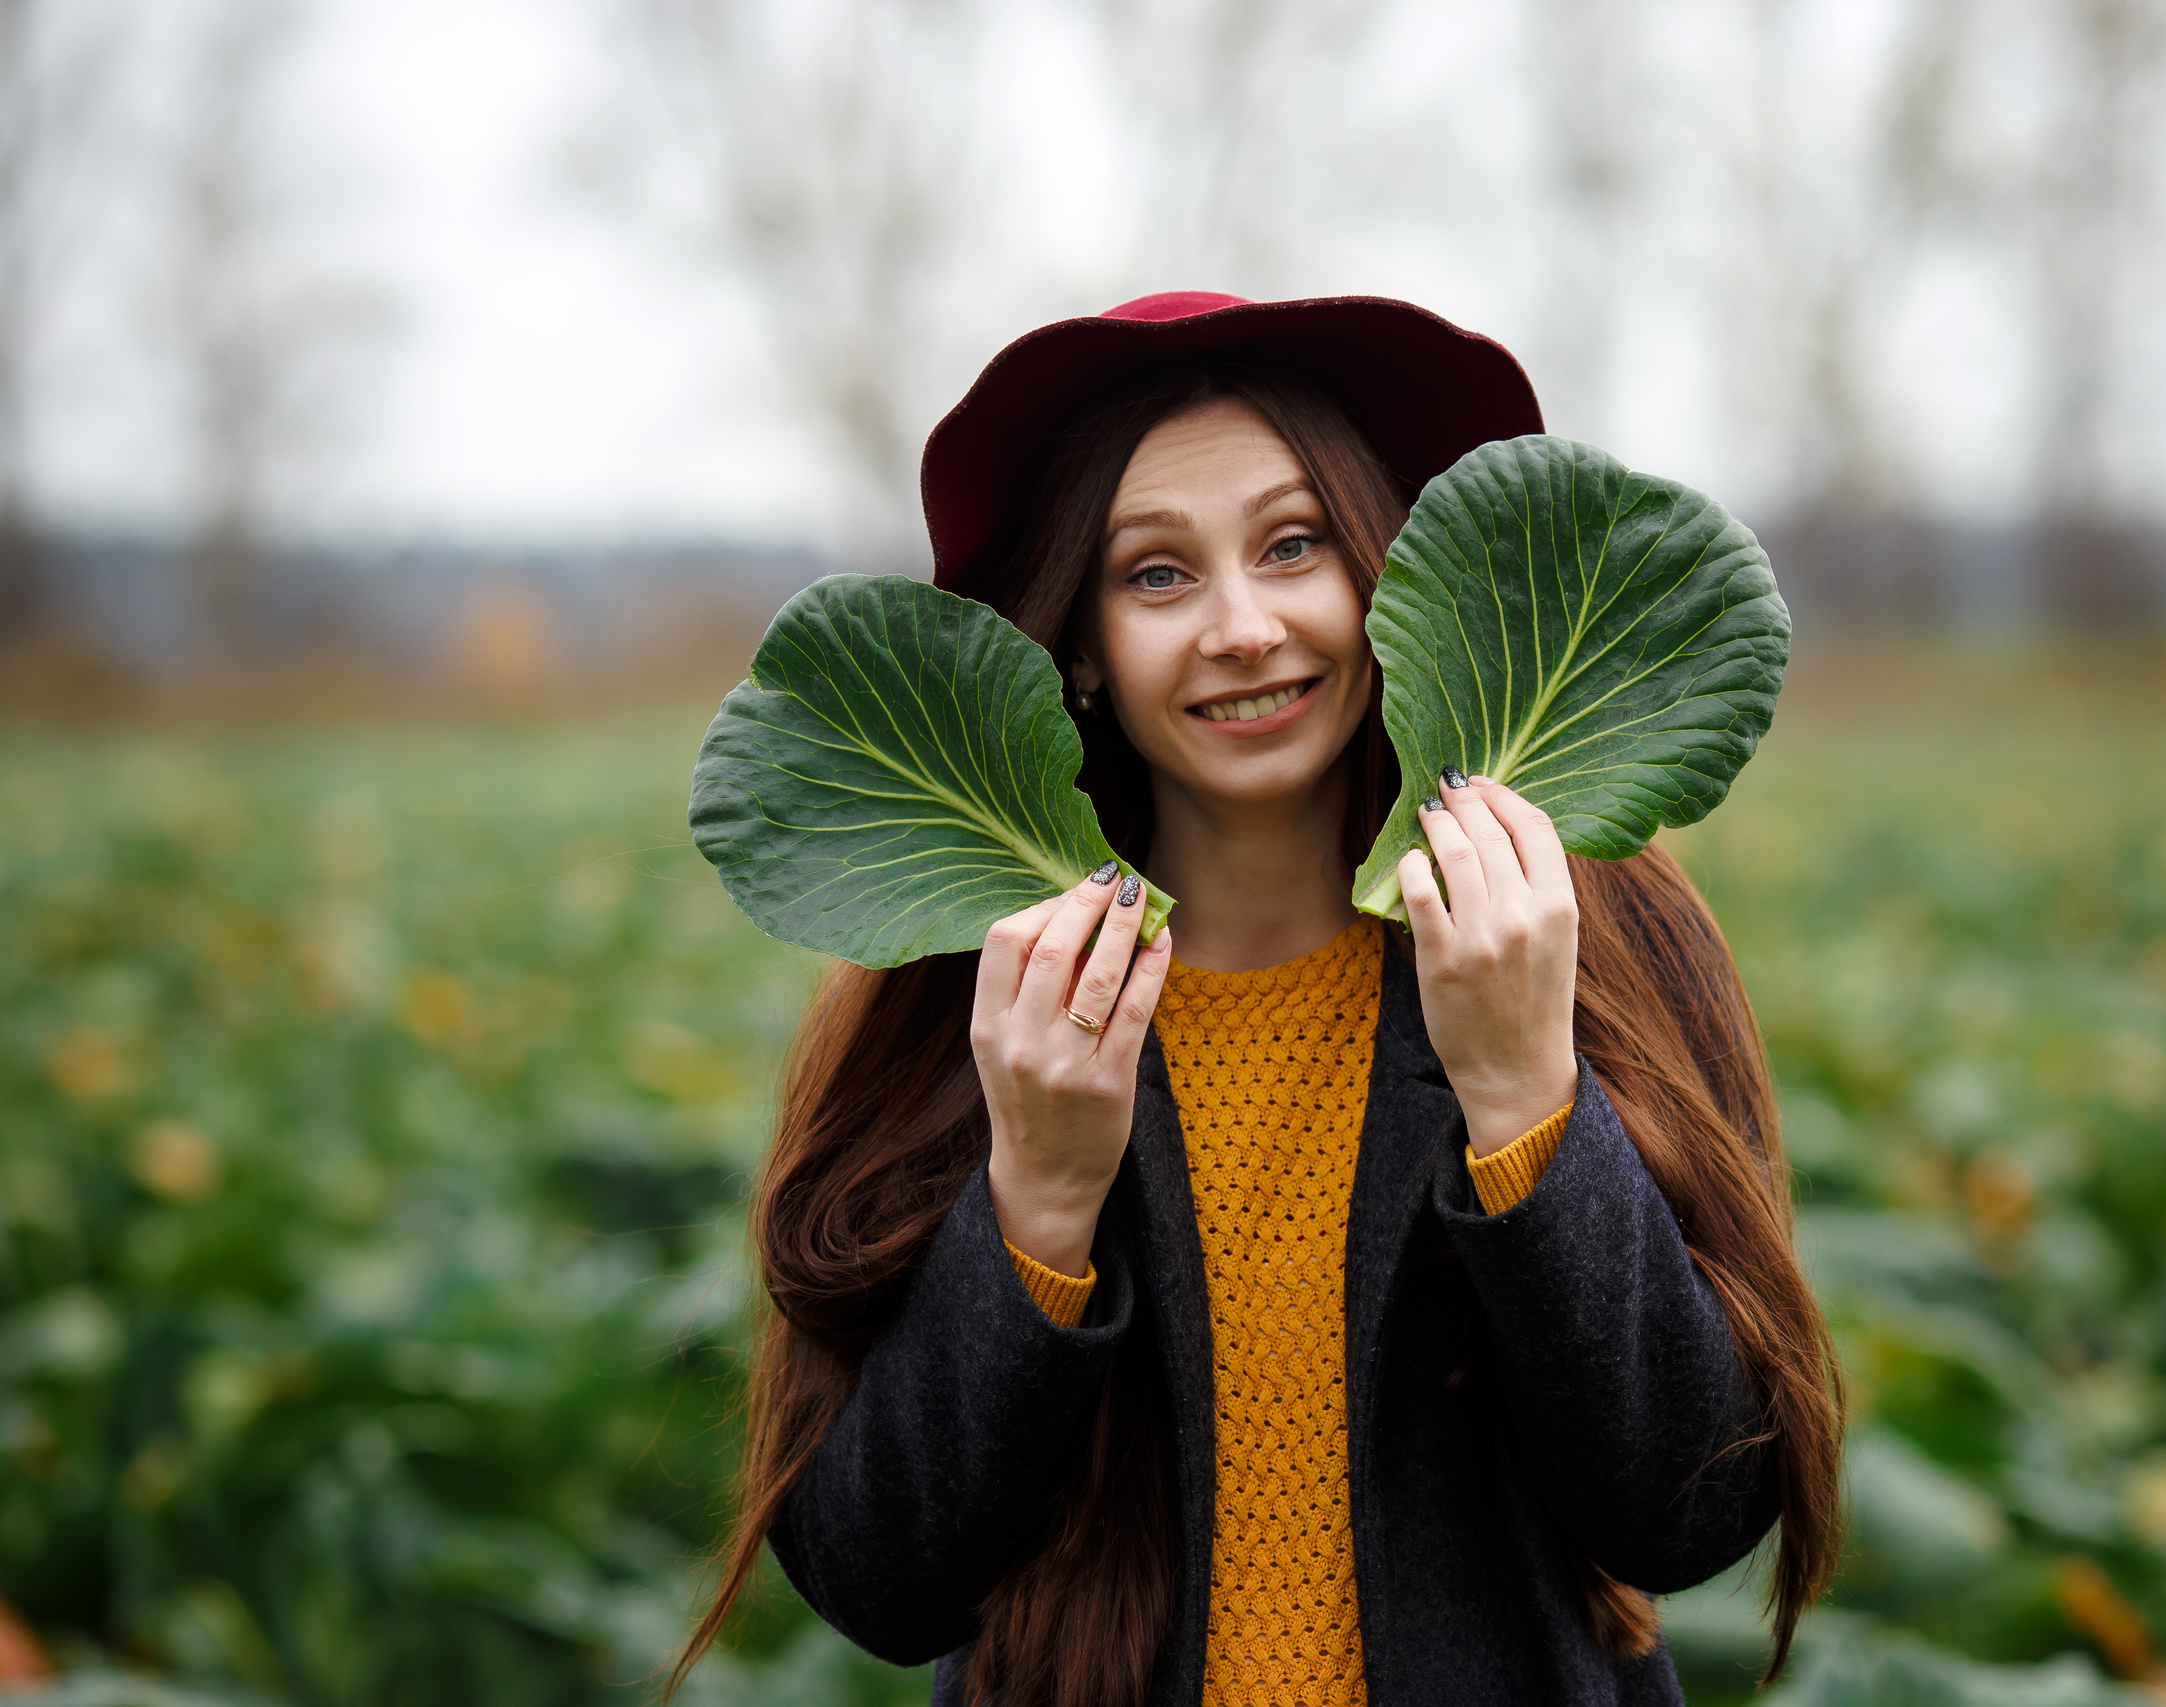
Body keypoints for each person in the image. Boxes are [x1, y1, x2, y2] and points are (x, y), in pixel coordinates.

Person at [669, 293, 1843, 1707]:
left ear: (1386, 579)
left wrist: (1528, 1096)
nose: (1243, 627)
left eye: (1295, 546)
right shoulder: (979, 1000)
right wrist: (1035, 1197)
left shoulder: (1586, 937)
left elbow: (1691, 1510)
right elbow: (879, 1577)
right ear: (1085, 641)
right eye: (1157, 576)